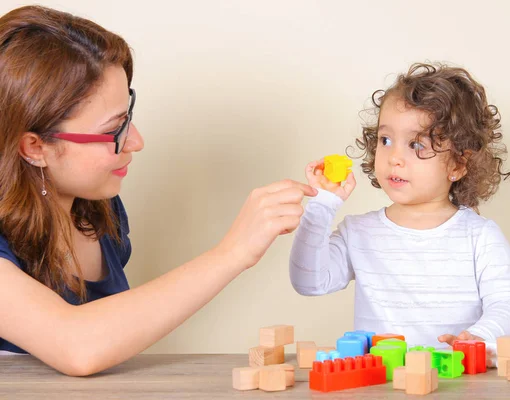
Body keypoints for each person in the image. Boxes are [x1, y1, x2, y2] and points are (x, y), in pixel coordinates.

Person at [0, 5, 316, 376]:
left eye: (128, 118)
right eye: (112, 130)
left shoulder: (99, 212)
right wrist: (233, 252)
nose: (136, 141)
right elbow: (78, 347)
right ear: (34, 148)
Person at [290, 63, 510, 348]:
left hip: (457, 384)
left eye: (416, 145)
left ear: (458, 164)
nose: (394, 157)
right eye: (386, 139)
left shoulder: (480, 236)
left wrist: (480, 336)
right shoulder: (358, 232)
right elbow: (309, 281)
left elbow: (509, 303)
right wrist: (321, 207)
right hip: (381, 386)